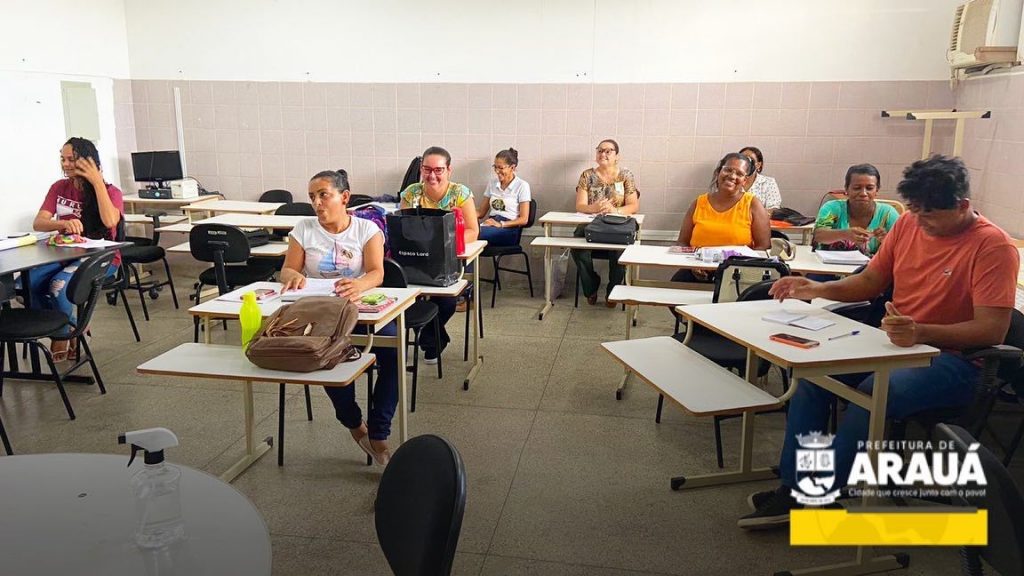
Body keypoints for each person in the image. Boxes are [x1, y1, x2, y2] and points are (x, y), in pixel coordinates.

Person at [739, 155, 1019, 530]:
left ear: (962, 206)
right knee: (814, 377)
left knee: (875, 390)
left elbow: (991, 330)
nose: (920, 222)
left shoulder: (993, 247)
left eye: (930, 215)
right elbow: (870, 282)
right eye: (915, 210)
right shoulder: (908, 223)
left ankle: (814, 492)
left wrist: (922, 332)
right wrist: (817, 288)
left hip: (956, 360)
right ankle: (795, 488)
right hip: (896, 345)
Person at [280, 169, 395, 465]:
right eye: (312, 197)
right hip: (321, 312)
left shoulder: (366, 229)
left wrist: (359, 284)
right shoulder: (304, 228)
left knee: (392, 349)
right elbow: (287, 269)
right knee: (324, 356)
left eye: (323, 195)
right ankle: (354, 423)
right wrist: (293, 276)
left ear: (344, 197)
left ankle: (379, 430)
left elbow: (377, 272)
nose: (317, 203)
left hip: (360, 310)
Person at [31, 137, 123, 361]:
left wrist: (97, 181)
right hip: (64, 255)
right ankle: (75, 327)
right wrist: (62, 224)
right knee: (26, 284)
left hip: (101, 259)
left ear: (87, 161)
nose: (65, 164)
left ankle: (62, 335)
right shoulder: (59, 187)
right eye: (62, 159)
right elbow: (39, 223)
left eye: (71, 159)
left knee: (58, 285)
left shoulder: (111, 192)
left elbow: (110, 221)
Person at [399, 146, 478, 363]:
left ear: (448, 170)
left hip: (449, 259)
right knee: (407, 298)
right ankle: (436, 339)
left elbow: (473, 231)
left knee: (447, 302)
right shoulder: (411, 193)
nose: (432, 175)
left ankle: (428, 337)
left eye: (438, 170)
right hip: (417, 258)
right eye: (427, 169)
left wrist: (444, 244)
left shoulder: (460, 193)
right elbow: (403, 229)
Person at [672, 153, 770, 283]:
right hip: (695, 271)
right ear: (718, 172)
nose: (732, 176)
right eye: (728, 170)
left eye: (739, 174)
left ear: (745, 181)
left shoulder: (753, 204)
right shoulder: (699, 203)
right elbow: (682, 243)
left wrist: (736, 267)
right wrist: (693, 265)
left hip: (737, 275)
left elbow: (763, 247)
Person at [571, 139, 640, 307]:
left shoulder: (626, 176)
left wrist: (614, 210)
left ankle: (613, 291)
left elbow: (633, 206)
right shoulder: (587, 175)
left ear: (617, 156)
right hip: (592, 223)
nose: (603, 154)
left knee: (620, 251)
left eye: (608, 151)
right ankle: (591, 287)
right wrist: (593, 208)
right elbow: (580, 206)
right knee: (577, 246)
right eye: (600, 150)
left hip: (617, 224)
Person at [813, 163, 899, 256]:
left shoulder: (888, 213)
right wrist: (845, 234)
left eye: (869, 188)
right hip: (828, 264)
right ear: (846, 189)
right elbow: (818, 235)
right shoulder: (833, 208)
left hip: (871, 265)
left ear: (877, 190)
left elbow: (902, 246)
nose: (863, 193)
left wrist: (886, 240)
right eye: (857, 188)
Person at [477, 148, 531, 247]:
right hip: (491, 224)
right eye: (495, 167)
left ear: (512, 168)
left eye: (501, 168)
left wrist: (501, 224)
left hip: (509, 228)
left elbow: (524, 219)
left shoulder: (522, 186)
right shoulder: (492, 183)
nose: (497, 171)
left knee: (473, 235)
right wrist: (462, 214)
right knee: (463, 233)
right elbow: (480, 213)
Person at [739, 146, 782, 210]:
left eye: (751, 160)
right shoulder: (731, 181)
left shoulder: (768, 182)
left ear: (759, 165)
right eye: (743, 159)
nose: (746, 163)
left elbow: (773, 208)